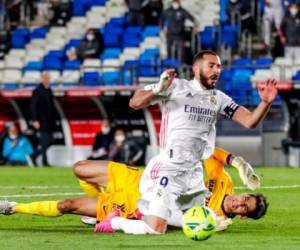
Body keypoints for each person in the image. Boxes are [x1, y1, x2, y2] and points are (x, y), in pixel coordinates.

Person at [98, 50, 276, 235]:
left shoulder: (219, 98)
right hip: (170, 167)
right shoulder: (175, 87)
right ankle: (115, 221)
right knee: (156, 229)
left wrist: (265, 103)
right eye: (211, 65)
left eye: (219, 67)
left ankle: (141, 212)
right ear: (196, 68)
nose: (216, 70)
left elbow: (249, 120)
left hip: (194, 174)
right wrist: (158, 89)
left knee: (193, 221)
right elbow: (135, 102)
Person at [0, 148, 267, 232]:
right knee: (79, 168)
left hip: (134, 206)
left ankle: (13, 208)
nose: (240, 203)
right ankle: (97, 201)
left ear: (242, 216)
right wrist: (238, 162)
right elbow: (212, 154)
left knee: (67, 206)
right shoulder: (225, 183)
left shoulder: (214, 221)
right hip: (138, 180)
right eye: (246, 199)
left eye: (245, 208)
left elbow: (173, 223)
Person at [30, 72, 55, 166]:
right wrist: (35, 120)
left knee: (50, 141)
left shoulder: (49, 90)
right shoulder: (37, 91)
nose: (47, 80)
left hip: (49, 121)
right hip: (41, 120)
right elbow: (33, 106)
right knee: (44, 141)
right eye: (45, 78)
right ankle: (44, 161)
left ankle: (34, 156)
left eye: (48, 78)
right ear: (42, 79)